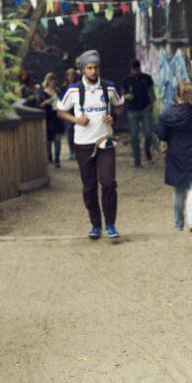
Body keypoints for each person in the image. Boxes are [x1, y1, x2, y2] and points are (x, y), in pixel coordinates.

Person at [55, 50, 126, 240]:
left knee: (108, 183)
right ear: (82, 70)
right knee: (89, 187)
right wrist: (76, 119)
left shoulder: (109, 87)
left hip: (105, 142)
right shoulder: (73, 90)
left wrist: (114, 116)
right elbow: (60, 111)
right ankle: (95, 225)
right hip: (83, 144)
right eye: (89, 68)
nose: (93, 71)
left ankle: (110, 224)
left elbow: (120, 105)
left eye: (96, 68)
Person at [156, 81, 192, 232]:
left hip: (176, 153)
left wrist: (170, 140)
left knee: (178, 189)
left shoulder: (168, 113)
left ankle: (178, 223)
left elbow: (161, 134)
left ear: (176, 94)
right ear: (191, 94)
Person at [122, 60, 156, 167]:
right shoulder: (126, 80)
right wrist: (126, 96)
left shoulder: (146, 78)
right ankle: (137, 160)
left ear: (139, 68)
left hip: (145, 109)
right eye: (133, 70)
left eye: (136, 69)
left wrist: (151, 104)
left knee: (149, 133)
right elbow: (122, 93)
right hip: (132, 111)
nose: (134, 72)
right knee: (134, 136)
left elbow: (151, 92)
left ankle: (147, 151)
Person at [40, 72, 65, 168]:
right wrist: (46, 102)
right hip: (48, 118)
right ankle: (49, 159)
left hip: (58, 117)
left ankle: (57, 160)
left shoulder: (58, 91)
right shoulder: (43, 92)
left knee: (58, 139)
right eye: (50, 80)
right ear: (47, 81)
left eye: (54, 80)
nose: (52, 82)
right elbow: (39, 105)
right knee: (49, 140)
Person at [63, 67, 79, 161]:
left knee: (77, 131)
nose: (71, 77)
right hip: (68, 112)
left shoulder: (79, 86)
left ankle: (77, 150)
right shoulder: (64, 87)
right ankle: (71, 151)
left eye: (72, 75)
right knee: (69, 131)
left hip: (77, 111)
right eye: (69, 75)